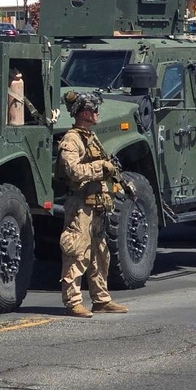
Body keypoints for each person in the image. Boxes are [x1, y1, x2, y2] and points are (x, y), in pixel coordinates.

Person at [57, 90, 129, 318]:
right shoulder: (72, 139)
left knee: (100, 253)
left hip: (97, 204)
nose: (98, 114)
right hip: (80, 205)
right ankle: (73, 301)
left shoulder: (90, 137)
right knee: (76, 251)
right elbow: (72, 170)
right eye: (95, 110)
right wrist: (101, 168)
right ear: (85, 112)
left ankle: (101, 299)